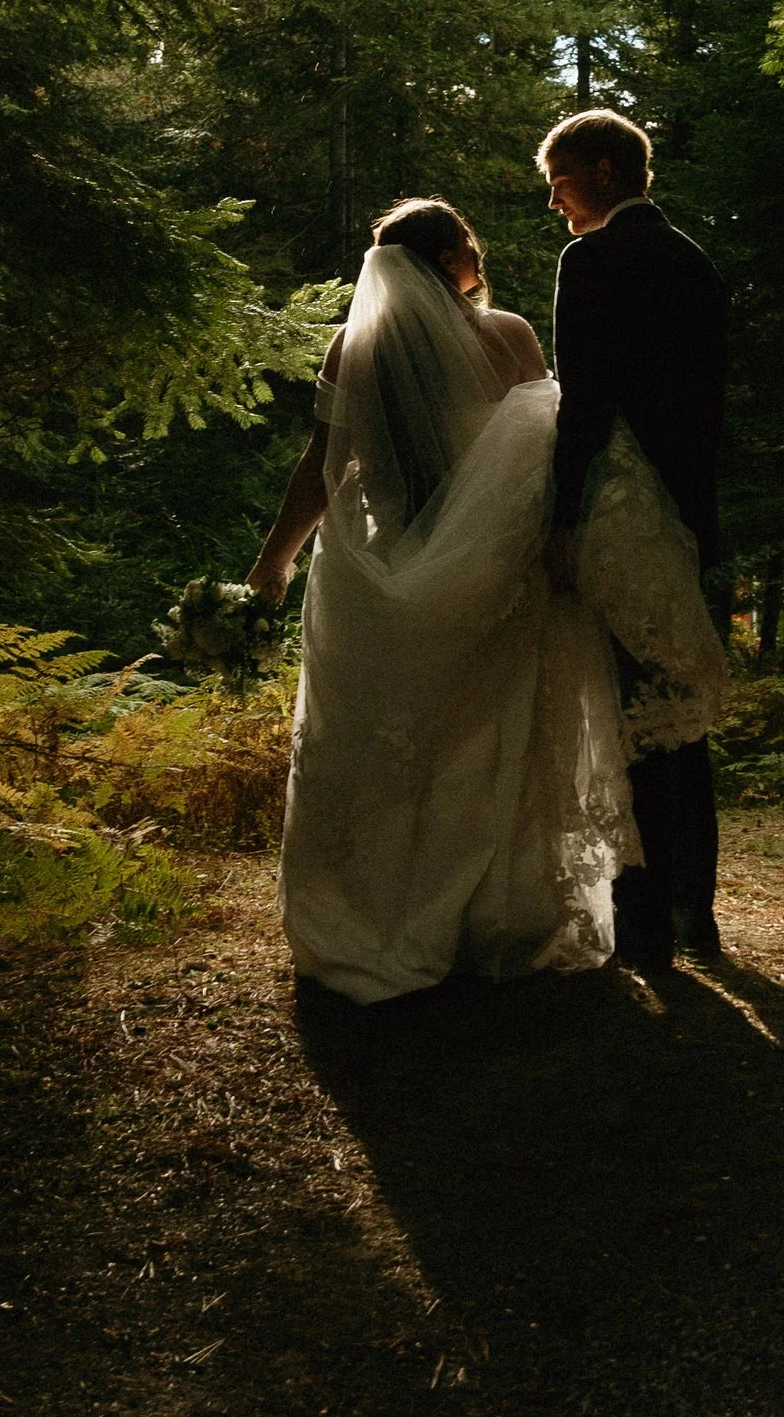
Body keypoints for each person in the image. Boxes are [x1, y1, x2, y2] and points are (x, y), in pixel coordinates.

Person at [247, 196, 714, 1003]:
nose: (479, 256)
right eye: (470, 245)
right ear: (454, 256)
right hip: (502, 566)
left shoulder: (351, 348)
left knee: (402, 741)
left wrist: (272, 565)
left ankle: (385, 912)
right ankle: (500, 914)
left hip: (395, 562)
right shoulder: (509, 336)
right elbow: (550, 447)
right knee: (499, 735)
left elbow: (321, 467)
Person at [539, 110, 732, 973]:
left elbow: (583, 401)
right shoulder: (695, 262)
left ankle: (645, 925)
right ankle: (701, 913)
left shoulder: (593, 259)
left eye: (563, 180)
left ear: (607, 173)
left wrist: (560, 518)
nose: (555, 203)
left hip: (619, 508)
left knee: (626, 714)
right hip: (685, 511)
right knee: (682, 715)